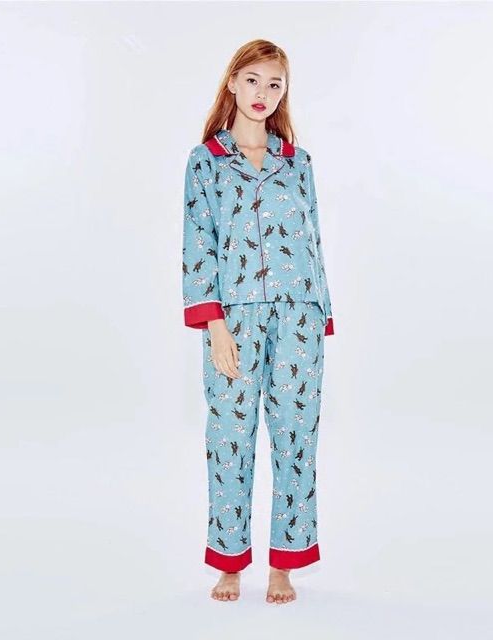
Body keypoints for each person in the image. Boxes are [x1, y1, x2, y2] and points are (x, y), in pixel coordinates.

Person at [181, 39, 335, 605]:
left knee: (296, 438)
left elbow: (314, 239)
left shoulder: (298, 162)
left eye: (274, 84)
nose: (262, 93)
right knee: (229, 437)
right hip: (235, 317)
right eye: (252, 80)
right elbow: (198, 242)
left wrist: (322, 315)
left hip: (299, 316)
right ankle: (229, 562)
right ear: (232, 82)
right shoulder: (206, 161)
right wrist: (213, 324)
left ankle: (285, 564)